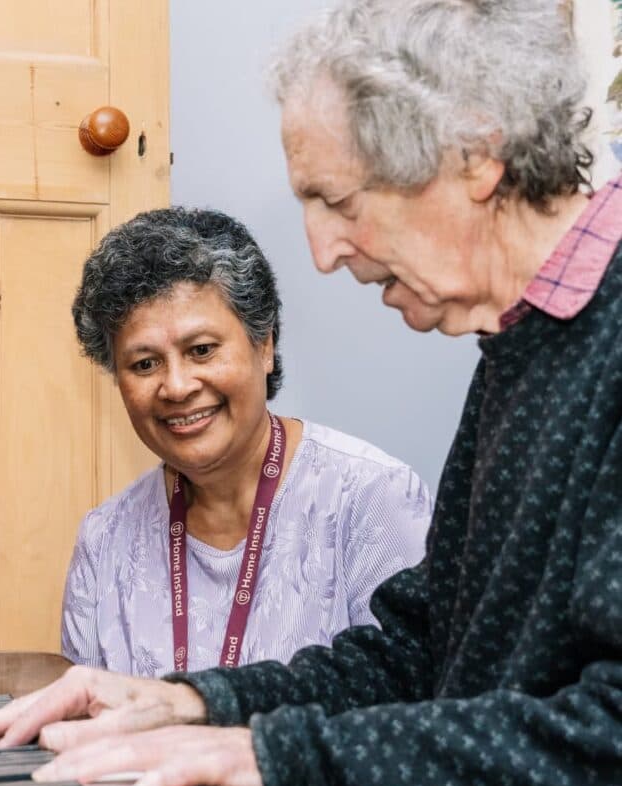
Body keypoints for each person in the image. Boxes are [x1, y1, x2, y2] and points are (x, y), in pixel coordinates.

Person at [0, 1, 622, 786]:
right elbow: (422, 652)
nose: (321, 253)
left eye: (337, 201)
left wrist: (267, 755)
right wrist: (193, 702)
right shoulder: (520, 351)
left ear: (476, 157)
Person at [62, 207, 432, 684]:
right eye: (145, 364)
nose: (176, 386)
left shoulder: (372, 500)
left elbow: (417, 706)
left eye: (202, 350)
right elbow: (87, 729)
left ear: (264, 345)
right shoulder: (105, 540)